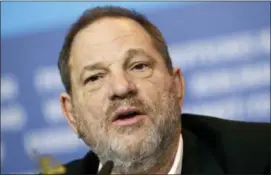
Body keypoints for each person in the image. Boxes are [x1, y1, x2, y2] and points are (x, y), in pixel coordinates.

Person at [57, 6, 270, 174]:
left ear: (176, 86)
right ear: (72, 114)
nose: (121, 88)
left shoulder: (261, 157)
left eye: (139, 66)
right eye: (95, 77)